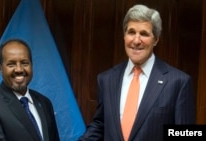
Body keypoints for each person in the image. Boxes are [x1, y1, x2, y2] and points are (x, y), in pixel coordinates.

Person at [78, 4, 195, 141]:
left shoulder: (178, 82)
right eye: (131, 32)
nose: (136, 40)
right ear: (124, 35)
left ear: (156, 39)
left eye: (144, 34)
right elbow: (101, 125)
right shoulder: (106, 79)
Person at [0, 39, 60, 141]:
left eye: (25, 63)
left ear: (31, 65)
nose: (19, 69)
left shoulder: (44, 103)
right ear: (0, 69)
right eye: (11, 64)